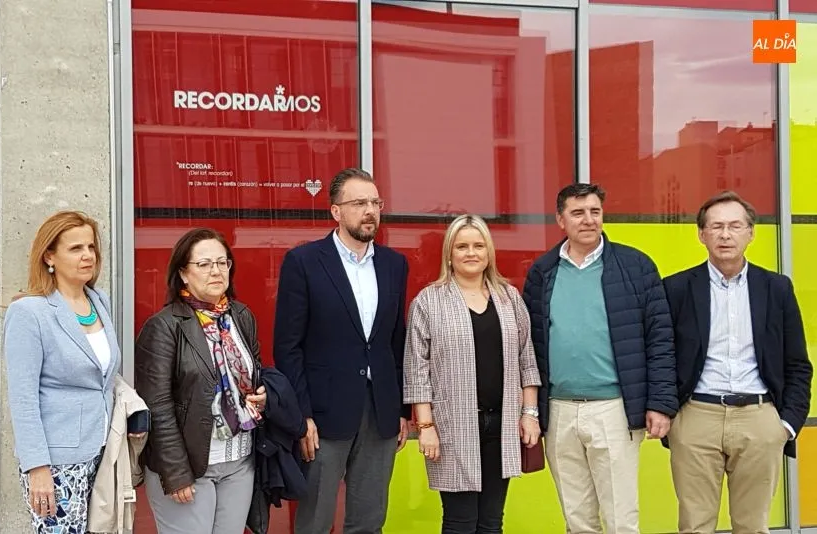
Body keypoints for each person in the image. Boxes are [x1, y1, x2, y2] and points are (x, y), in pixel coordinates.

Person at [521, 183, 678, 534]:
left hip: (614, 409)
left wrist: (660, 403)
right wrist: (530, 411)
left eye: (595, 211)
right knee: (577, 520)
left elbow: (660, 338)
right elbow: (528, 345)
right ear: (561, 220)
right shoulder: (543, 272)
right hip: (559, 411)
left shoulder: (636, 267)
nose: (588, 220)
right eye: (578, 213)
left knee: (621, 519)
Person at [662, 191, 813, 534]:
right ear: (702, 234)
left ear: (751, 233)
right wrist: (672, 416)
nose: (725, 235)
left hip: (759, 419)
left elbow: (797, 363)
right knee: (694, 526)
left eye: (734, 226)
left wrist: (786, 425)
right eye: (716, 227)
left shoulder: (776, 288)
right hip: (696, 417)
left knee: (753, 526)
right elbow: (662, 357)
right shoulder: (676, 288)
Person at [273, 167, 410, 534]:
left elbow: (395, 341)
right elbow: (288, 347)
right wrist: (301, 416)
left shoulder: (394, 264)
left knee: (369, 521)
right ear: (335, 211)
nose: (370, 211)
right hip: (322, 415)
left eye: (376, 203)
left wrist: (400, 409)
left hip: (380, 412)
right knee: (315, 522)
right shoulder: (304, 263)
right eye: (359, 203)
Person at [404, 214, 542, 534]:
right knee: (460, 522)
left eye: (478, 246)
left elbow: (527, 360)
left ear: (488, 252)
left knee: (492, 523)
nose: (471, 253)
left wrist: (529, 414)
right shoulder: (429, 301)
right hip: (452, 427)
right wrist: (425, 426)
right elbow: (417, 368)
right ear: (449, 254)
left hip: (503, 425)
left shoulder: (509, 298)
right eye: (462, 246)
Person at [135, 228, 267, 534]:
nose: (216, 271)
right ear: (183, 273)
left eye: (222, 263)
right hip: (190, 466)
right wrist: (175, 471)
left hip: (239, 460)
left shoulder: (240, 317)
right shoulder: (164, 326)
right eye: (204, 264)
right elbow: (157, 405)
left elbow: (255, 372)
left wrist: (263, 395)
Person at [3, 211, 122, 532]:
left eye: (91, 247)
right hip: (57, 461)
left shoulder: (99, 302)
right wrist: (37, 467)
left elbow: (104, 378)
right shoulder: (29, 312)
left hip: (102, 451)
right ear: (49, 257)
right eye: (76, 248)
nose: (88, 256)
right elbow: (23, 398)